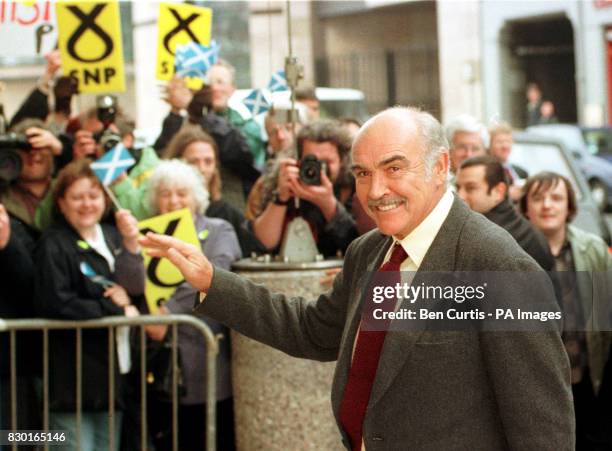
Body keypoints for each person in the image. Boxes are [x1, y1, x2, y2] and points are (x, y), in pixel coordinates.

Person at [140, 106, 574, 450]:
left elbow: (543, 430)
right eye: (363, 173)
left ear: (441, 166)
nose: (375, 190)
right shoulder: (370, 251)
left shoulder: (498, 265)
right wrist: (211, 281)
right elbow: (311, 331)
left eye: (394, 168)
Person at [33, 159, 143, 450]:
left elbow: (135, 288)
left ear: (105, 200)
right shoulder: (53, 243)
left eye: (93, 196)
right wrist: (114, 309)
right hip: (72, 378)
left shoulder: (111, 235)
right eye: (77, 197)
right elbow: (56, 302)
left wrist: (132, 244)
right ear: (61, 202)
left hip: (112, 374)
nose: (86, 204)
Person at [144, 160, 241, 451]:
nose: (173, 200)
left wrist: (168, 311)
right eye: (165, 193)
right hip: (166, 365)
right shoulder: (147, 236)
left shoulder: (218, 229)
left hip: (211, 359)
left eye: (181, 193)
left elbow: (215, 272)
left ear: (196, 197)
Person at [520, 171, 612, 450]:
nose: (547, 205)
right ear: (525, 208)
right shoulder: (512, 252)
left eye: (556, 197)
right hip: (538, 389)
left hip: (586, 379)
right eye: (538, 198)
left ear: (569, 206)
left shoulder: (592, 249)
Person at [248, 120, 357, 257]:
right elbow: (262, 243)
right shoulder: (286, 181)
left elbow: (361, 246)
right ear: (297, 159)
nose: (317, 169)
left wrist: (329, 205)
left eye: (326, 162)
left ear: (342, 161)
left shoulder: (355, 186)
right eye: (311, 161)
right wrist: (281, 197)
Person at [153, 77, 259, 211]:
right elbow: (162, 157)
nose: (201, 168)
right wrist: (175, 113)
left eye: (219, 81)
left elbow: (243, 158)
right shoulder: (181, 123)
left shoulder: (235, 125)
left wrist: (197, 111)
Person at [163, 128, 266, 256]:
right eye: (193, 162)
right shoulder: (162, 207)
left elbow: (255, 247)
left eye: (208, 162)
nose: (202, 169)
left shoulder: (225, 213)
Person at [455, 155, 554, 271]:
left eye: (470, 188)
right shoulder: (529, 231)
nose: (459, 196)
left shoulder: (483, 237)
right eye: (457, 188)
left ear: (498, 191)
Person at [0, 118, 62, 233]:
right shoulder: (3, 197)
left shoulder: (67, 189)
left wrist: (63, 149)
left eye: (40, 147)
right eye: (25, 147)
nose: (33, 154)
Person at [207, 60, 267, 169]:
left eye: (220, 82)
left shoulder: (248, 127)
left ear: (232, 89)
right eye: (209, 83)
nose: (214, 88)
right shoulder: (192, 122)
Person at [488, 121, 527, 202]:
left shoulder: (521, 172)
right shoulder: (485, 171)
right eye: (500, 142)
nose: (505, 146)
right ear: (489, 144)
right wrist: (507, 194)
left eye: (508, 141)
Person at [444, 114, 488, 182]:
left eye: (475, 149)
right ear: (449, 151)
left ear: (485, 153)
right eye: (462, 147)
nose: (469, 154)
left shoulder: (494, 187)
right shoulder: (438, 189)